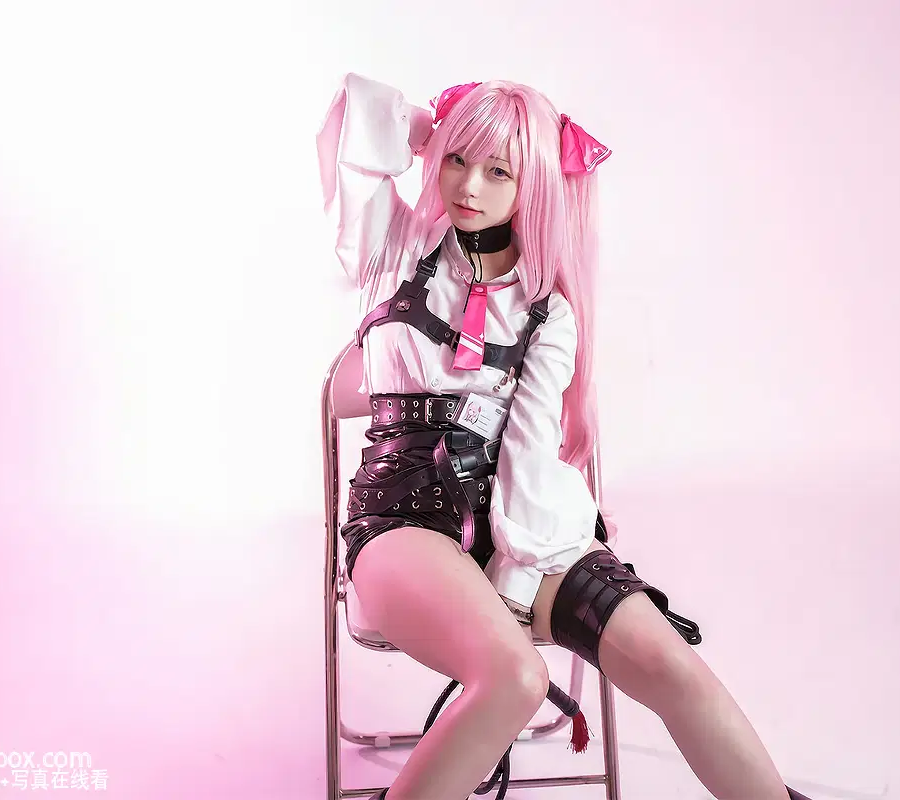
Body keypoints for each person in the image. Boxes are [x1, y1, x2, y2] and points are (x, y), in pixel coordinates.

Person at [317, 72, 812, 800]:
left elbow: (525, 463)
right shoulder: (393, 243)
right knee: (516, 677)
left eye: (499, 170)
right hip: (403, 517)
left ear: (535, 186)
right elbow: (353, 115)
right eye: (458, 161)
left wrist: (513, 587)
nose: (469, 186)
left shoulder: (549, 310)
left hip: (519, 524)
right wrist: (435, 131)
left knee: (668, 662)